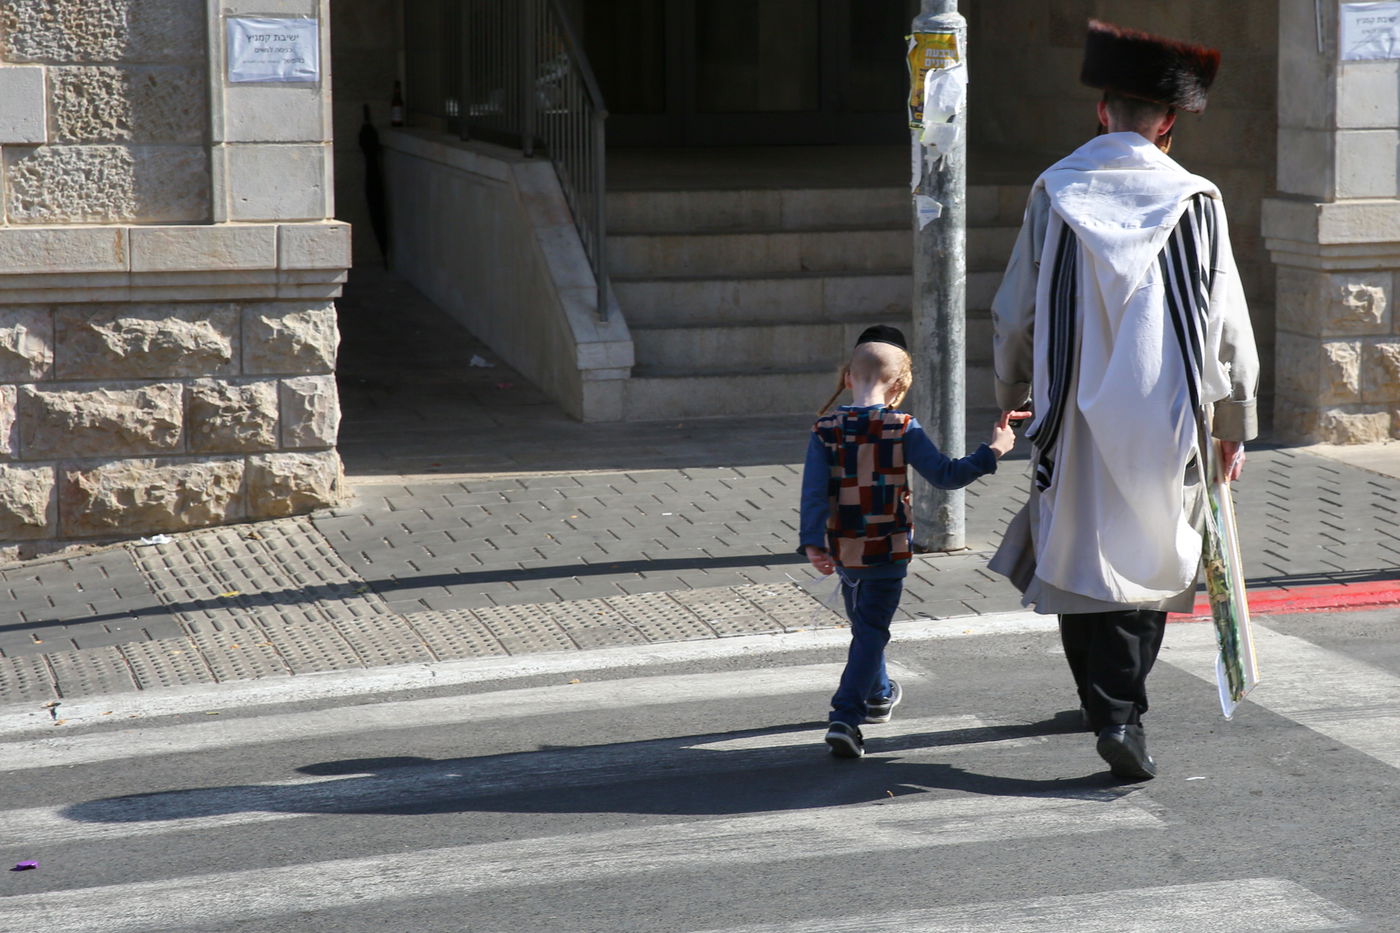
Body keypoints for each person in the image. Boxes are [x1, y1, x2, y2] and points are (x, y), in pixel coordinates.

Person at [987, 20, 1260, 781]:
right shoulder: (1198, 200)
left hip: (1072, 409)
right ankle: (1120, 710)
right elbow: (1228, 322)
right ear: (1168, 121)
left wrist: (1012, 391)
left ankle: (1106, 708)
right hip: (1168, 411)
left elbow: (1015, 312)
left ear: (1102, 111)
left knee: (1079, 554)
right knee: (1154, 552)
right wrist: (1234, 422)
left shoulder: (1054, 190)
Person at [799, 325, 1025, 758]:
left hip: (844, 547)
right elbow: (946, 475)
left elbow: (814, 491)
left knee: (866, 628)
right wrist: (994, 450)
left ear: (847, 377)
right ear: (900, 386)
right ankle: (845, 716)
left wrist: (813, 542)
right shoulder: (901, 426)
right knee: (871, 631)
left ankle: (879, 693)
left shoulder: (825, 428)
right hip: (887, 548)